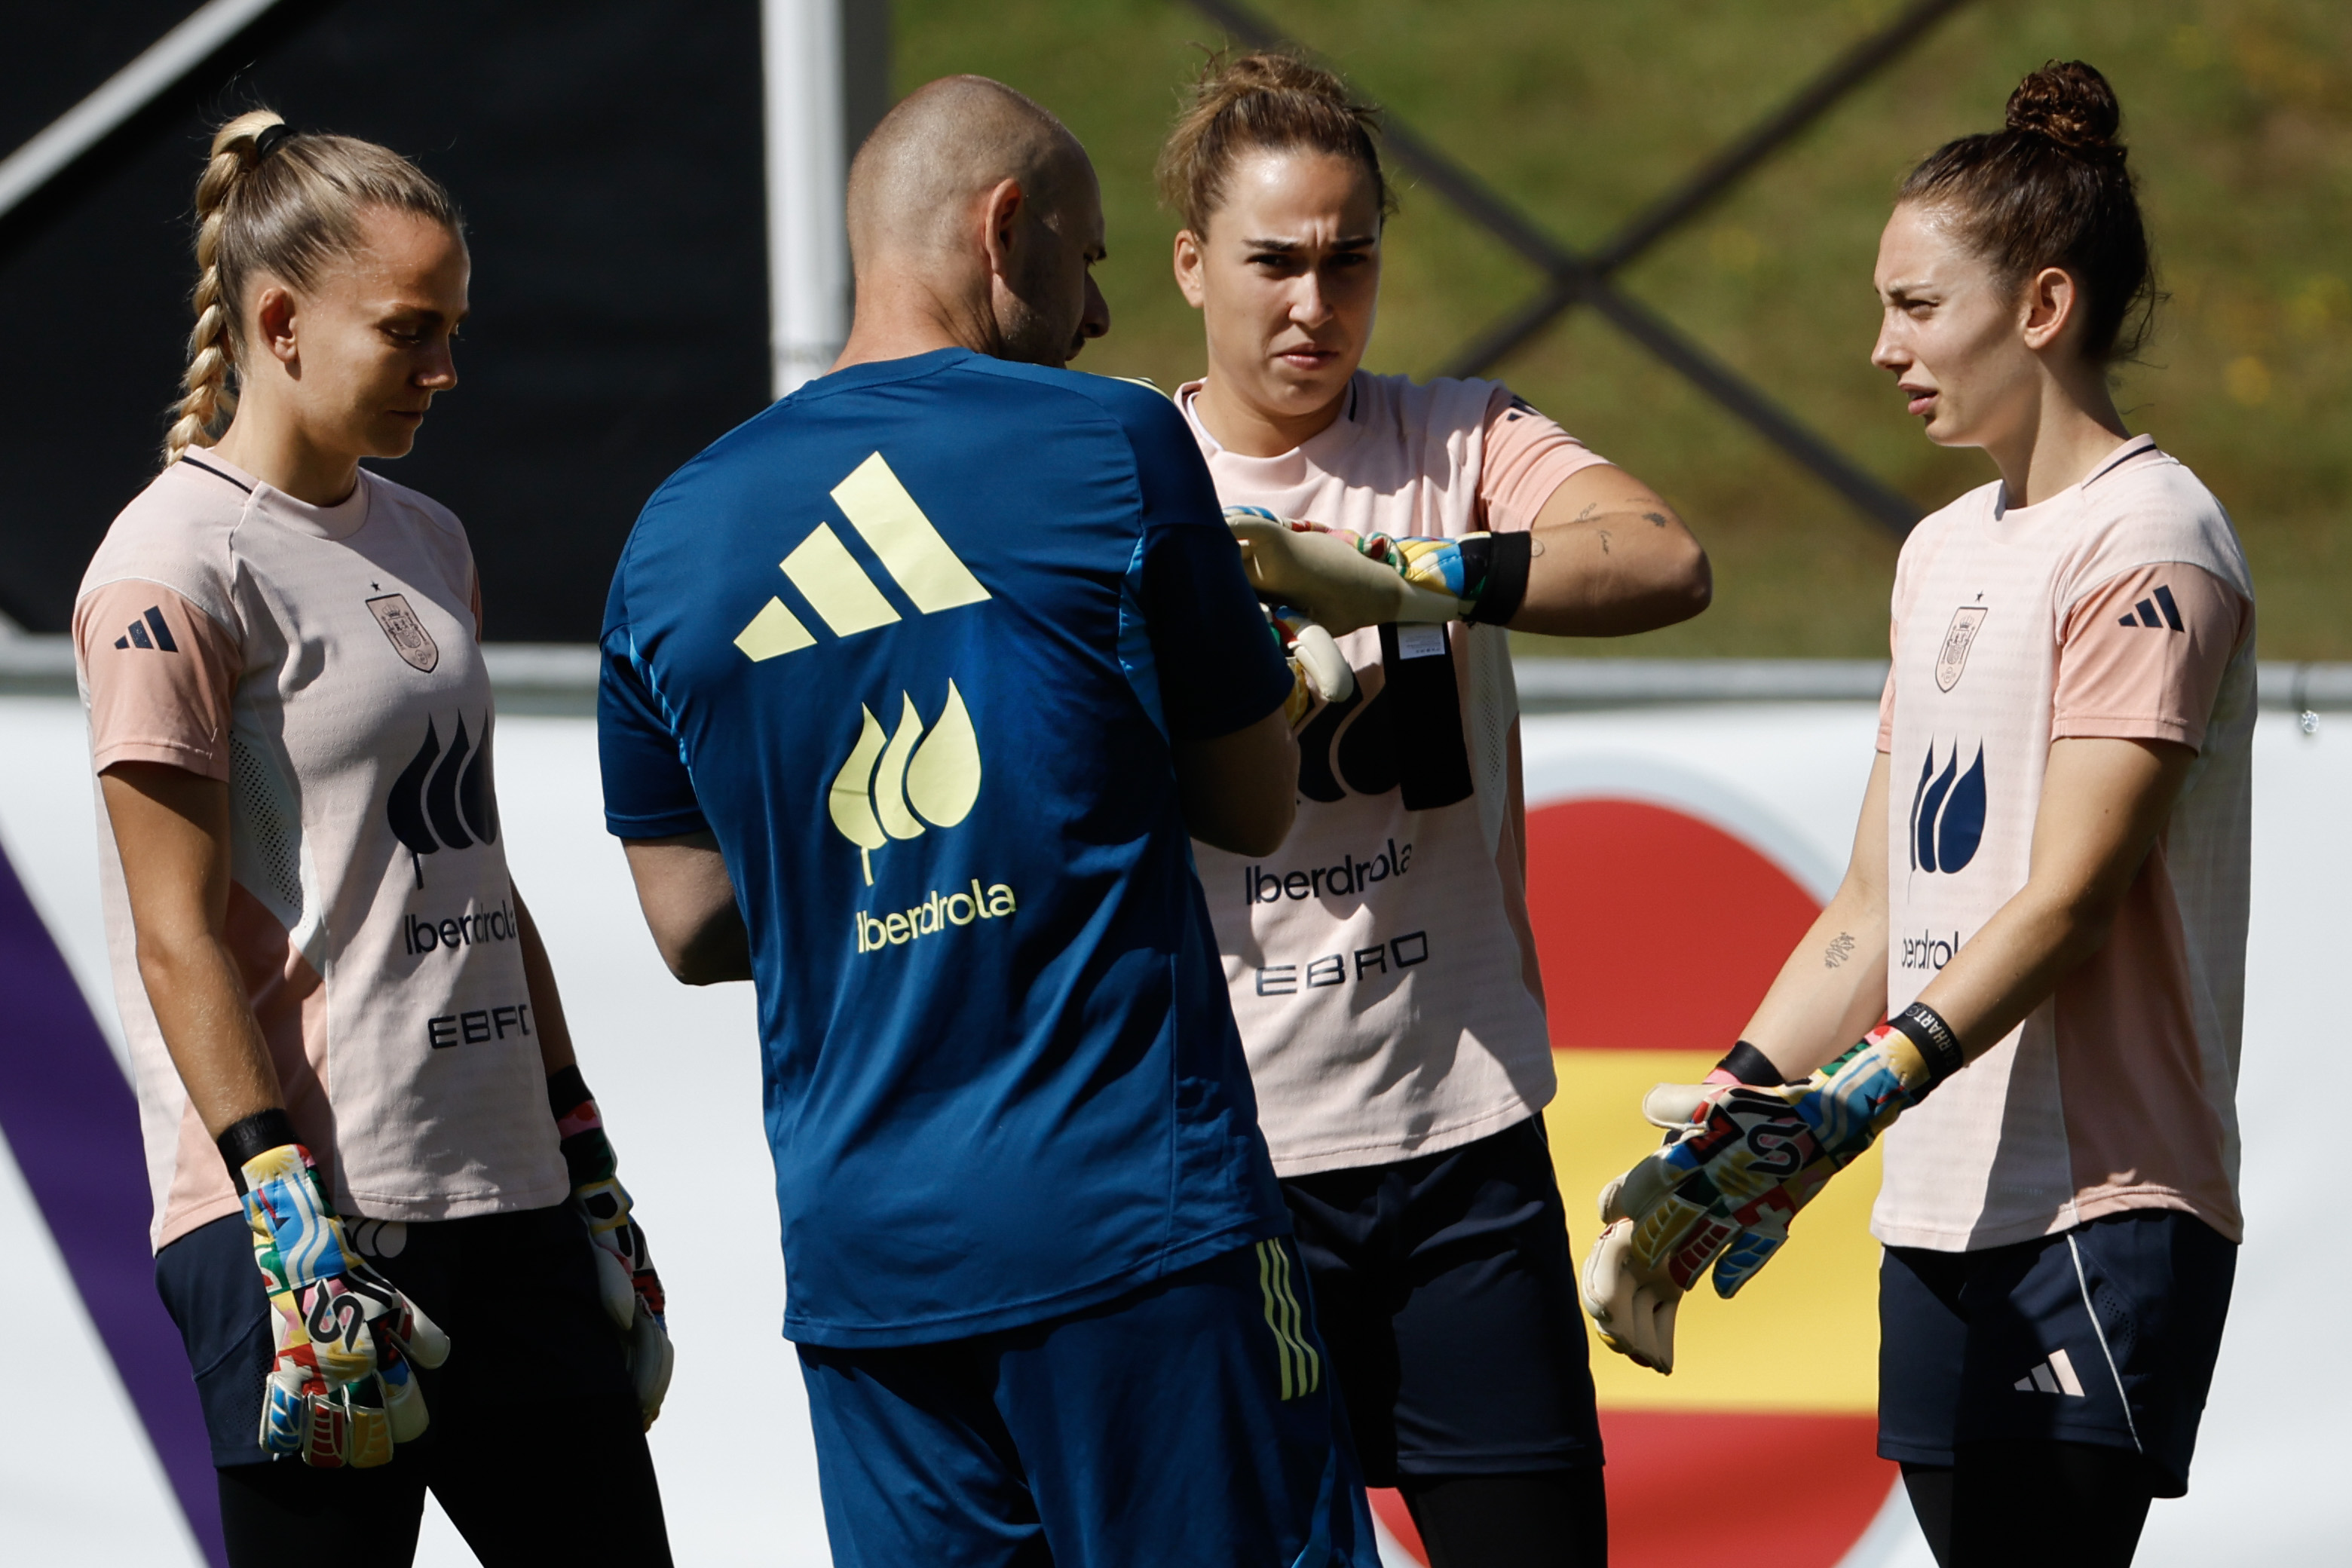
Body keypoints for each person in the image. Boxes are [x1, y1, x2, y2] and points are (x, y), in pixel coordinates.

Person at [599, 75, 1380, 1568]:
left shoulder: (670, 538)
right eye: (1088, 262)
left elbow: (692, 918)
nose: (1097, 317)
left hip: (868, 1258)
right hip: (1134, 1227)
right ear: (1004, 230)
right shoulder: (1114, 447)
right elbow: (1254, 800)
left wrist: (884, 872)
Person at [1582, 62, 2251, 1568]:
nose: (1881, 347)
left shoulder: (2156, 539)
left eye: (1915, 306)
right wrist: (1741, 1101)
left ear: (2042, 307)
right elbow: (1874, 906)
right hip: (1936, 1206)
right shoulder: (1941, 546)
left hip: (2101, 1202)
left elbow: (2069, 897)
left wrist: (1858, 1095)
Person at [75, 111, 673, 1566]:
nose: (445, 370)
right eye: (410, 331)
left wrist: (583, 1150)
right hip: (312, 1220)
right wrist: (280, 1211)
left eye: (455, 329)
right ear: (280, 321)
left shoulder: (426, 534)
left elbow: (472, 867)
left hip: (514, 1195)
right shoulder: (170, 562)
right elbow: (174, 932)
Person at [1151, 51, 1713, 1568]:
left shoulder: (1452, 438)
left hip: (1459, 1143)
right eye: (1273, 262)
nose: (1314, 307)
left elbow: (1662, 558)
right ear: (1192, 262)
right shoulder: (1122, 468)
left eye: (1352, 261)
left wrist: (1412, 574)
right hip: (1227, 1164)